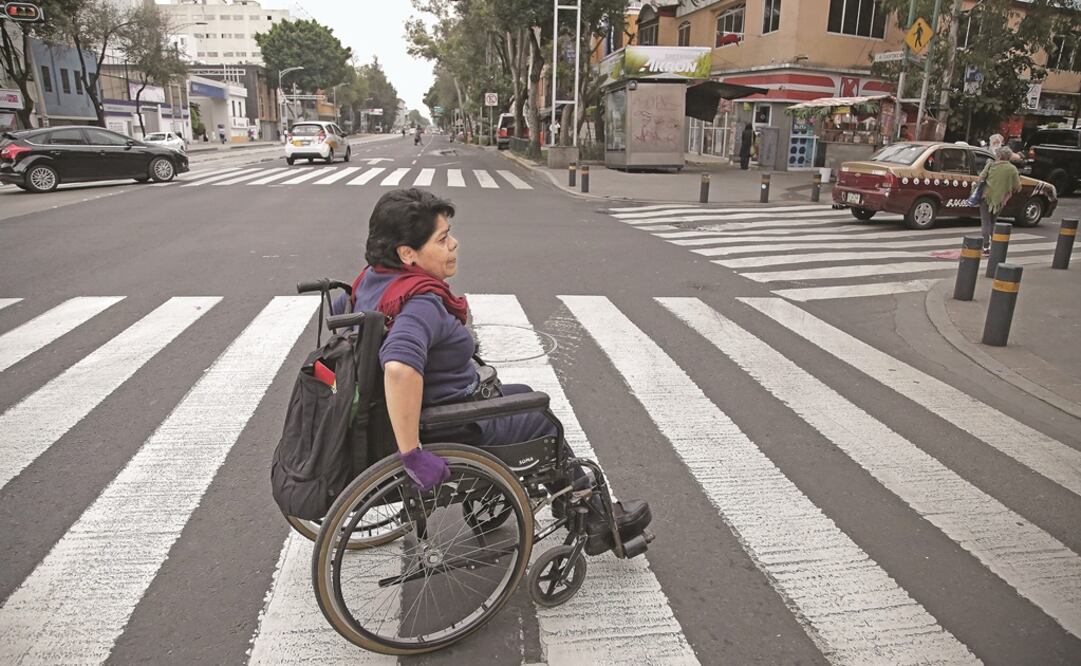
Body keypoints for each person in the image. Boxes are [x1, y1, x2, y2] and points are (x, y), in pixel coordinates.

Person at [336, 189, 648, 554]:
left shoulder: (372, 281)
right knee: (542, 417)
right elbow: (400, 368)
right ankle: (593, 516)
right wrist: (412, 455)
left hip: (433, 408)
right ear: (408, 254)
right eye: (442, 238)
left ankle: (542, 496)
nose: (454, 243)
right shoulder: (419, 304)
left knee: (519, 391)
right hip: (454, 424)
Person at [978, 146, 1022, 256]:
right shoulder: (1012, 169)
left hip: (986, 197)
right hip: (1001, 199)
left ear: (999, 156)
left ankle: (985, 247)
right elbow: (1018, 187)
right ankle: (995, 245)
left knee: (985, 222)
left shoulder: (991, 165)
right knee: (993, 222)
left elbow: (980, 178)